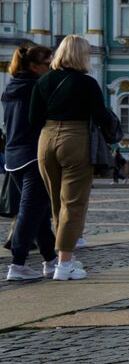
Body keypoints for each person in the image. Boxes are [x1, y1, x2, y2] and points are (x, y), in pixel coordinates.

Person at [31, 35, 105, 281]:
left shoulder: (43, 81)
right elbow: (101, 117)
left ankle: (56, 261)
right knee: (73, 203)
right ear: (81, 56)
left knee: (56, 203)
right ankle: (64, 264)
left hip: (46, 139)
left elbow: (33, 119)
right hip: (75, 139)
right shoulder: (87, 84)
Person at [3, 43, 58, 281]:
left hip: (13, 156)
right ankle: (17, 263)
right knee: (29, 211)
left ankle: (51, 259)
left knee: (40, 211)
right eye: (48, 64)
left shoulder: (12, 87)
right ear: (34, 66)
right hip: (34, 154)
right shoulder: (37, 87)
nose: (50, 68)